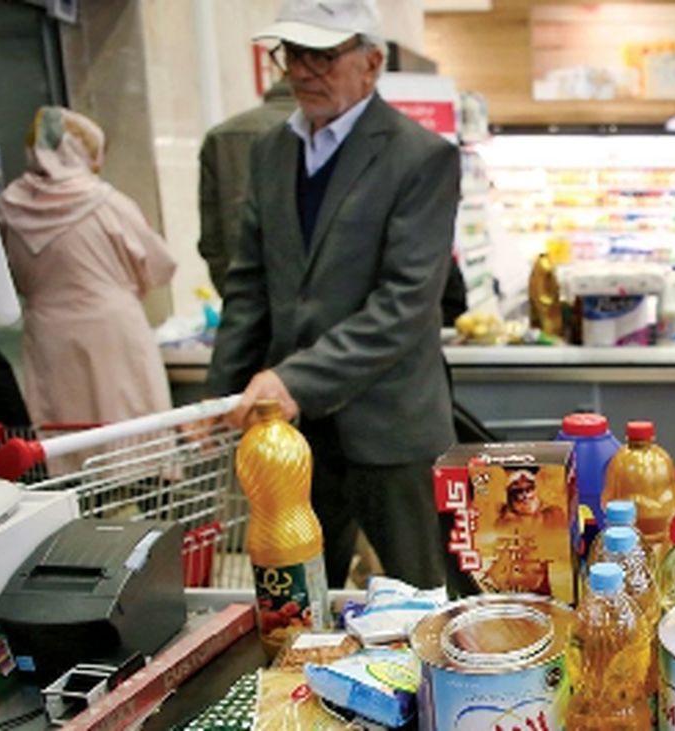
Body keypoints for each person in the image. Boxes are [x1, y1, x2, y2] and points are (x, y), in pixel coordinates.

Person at [206, 0, 460, 589]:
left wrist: (294, 381)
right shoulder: (272, 152)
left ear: (372, 63)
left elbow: (405, 304)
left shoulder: (420, 157)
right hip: (294, 437)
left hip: (391, 427)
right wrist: (222, 391)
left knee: (421, 594)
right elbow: (250, 286)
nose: (302, 70)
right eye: (293, 54)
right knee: (298, 594)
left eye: (322, 55)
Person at [0, 106, 175, 427]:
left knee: (67, 429)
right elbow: (161, 265)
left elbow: (6, 277)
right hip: (113, 330)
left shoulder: (8, 208)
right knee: (128, 427)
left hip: (49, 333)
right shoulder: (106, 203)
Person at [198, 80, 297, 296]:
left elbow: (211, 238)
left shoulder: (221, 136)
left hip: (243, 287)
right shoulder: (324, 129)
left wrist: (230, 290)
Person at [496, 469, 566, 529]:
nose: (525, 495)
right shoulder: (504, 523)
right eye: (518, 491)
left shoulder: (554, 514)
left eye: (529, 489)